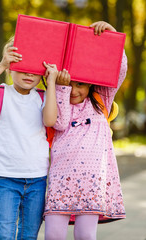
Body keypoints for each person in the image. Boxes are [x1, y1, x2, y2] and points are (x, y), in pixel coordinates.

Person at [44, 21, 128, 240]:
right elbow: (59, 123)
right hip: (61, 180)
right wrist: (60, 87)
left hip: (92, 183)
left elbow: (119, 68)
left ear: (90, 84)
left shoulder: (101, 101)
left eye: (80, 84)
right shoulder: (57, 100)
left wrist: (111, 34)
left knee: (85, 236)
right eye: (69, 84)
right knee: (53, 235)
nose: (74, 90)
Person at [0, 36, 58, 240]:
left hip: (38, 179)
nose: (28, 73)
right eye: (22, 66)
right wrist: (2, 64)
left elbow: (51, 120)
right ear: (11, 68)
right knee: (4, 232)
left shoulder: (44, 97)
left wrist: (51, 82)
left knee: (29, 234)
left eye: (35, 70)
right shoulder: (0, 94)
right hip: (7, 177)